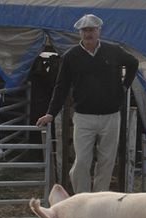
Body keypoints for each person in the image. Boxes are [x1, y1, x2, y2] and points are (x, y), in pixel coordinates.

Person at [36, 14, 138, 193]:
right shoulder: (71, 57)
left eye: (91, 30)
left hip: (111, 116)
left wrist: (124, 86)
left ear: (99, 31)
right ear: (79, 33)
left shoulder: (113, 51)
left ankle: (99, 200)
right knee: (82, 161)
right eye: (84, 30)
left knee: (106, 161)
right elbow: (61, 86)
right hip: (84, 117)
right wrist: (51, 112)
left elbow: (133, 63)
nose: (88, 33)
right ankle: (82, 198)